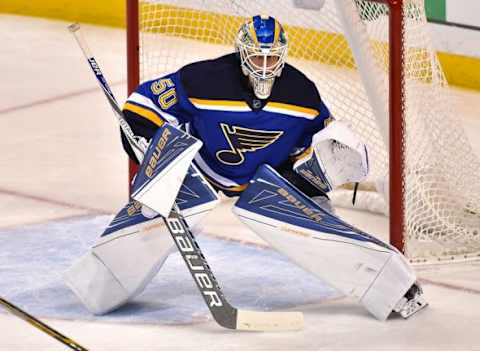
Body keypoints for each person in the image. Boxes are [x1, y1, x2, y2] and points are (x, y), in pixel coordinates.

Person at [65, 15, 426, 320]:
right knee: (165, 203)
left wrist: (319, 174)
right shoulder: (204, 79)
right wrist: (143, 141)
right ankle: (98, 284)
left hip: (266, 180)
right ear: (242, 53)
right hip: (199, 171)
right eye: (257, 57)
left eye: (272, 59)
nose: (265, 67)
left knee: (314, 227)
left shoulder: (302, 94)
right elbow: (144, 103)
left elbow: (324, 143)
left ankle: (393, 288)